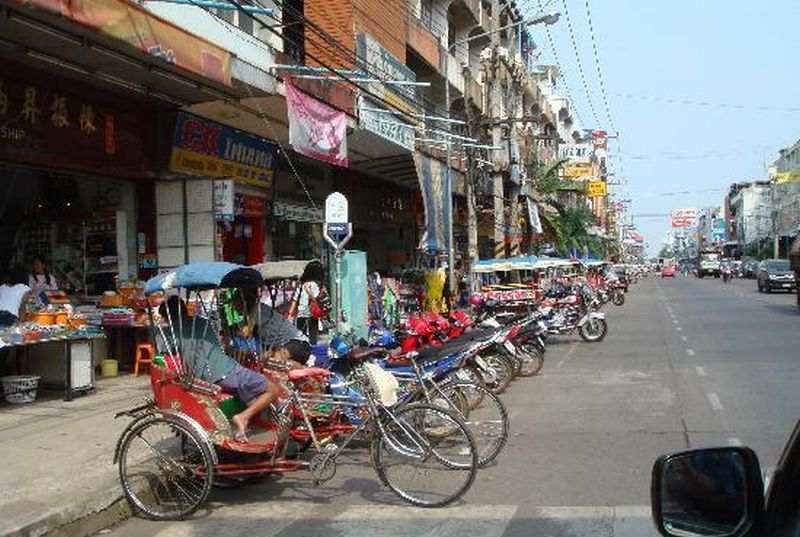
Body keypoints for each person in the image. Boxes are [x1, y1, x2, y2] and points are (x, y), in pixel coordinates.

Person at [159, 296, 295, 442]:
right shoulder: (203, 322)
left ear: (167, 316)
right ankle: (243, 418)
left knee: (253, 386)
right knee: (273, 389)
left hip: (201, 376)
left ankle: (253, 423)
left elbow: (166, 351)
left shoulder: (169, 332)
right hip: (224, 372)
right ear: (184, 309)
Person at [295, 261, 325, 344]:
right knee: (313, 336)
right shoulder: (316, 284)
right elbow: (317, 298)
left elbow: (296, 298)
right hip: (312, 313)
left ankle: (303, 350)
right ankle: (311, 350)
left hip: (302, 313)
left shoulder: (302, 284)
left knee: (301, 336)